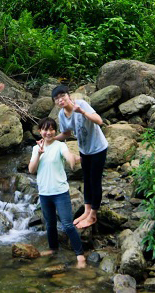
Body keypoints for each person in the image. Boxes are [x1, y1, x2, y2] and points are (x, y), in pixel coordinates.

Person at [29, 117, 86, 268]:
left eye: (51, 129)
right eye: (45, 129)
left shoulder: (60, 145)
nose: (48, 132)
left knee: (67, 224)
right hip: (44, 193)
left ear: (55, 131)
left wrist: (73, 161)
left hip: (60, 192)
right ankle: (53, 249)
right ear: (40, 131)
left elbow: (68, 156)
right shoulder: (36, 148)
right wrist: (39, 154)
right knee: (50, 224)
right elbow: (31, 170)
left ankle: (80, 255)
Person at [52, 85, 107, 229]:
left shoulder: (81, 105)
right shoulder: (61, 115)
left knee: (95, 181)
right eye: (57, 98)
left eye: (62, 96)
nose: (60, 100)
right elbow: (67, 134)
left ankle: (93, 215)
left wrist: (82, 112)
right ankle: (87, 210)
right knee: (86, 180)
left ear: (69, 96)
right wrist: (50, 140)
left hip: (98, 148)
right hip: (85, 150)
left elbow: (99, 121)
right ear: (55, 103)